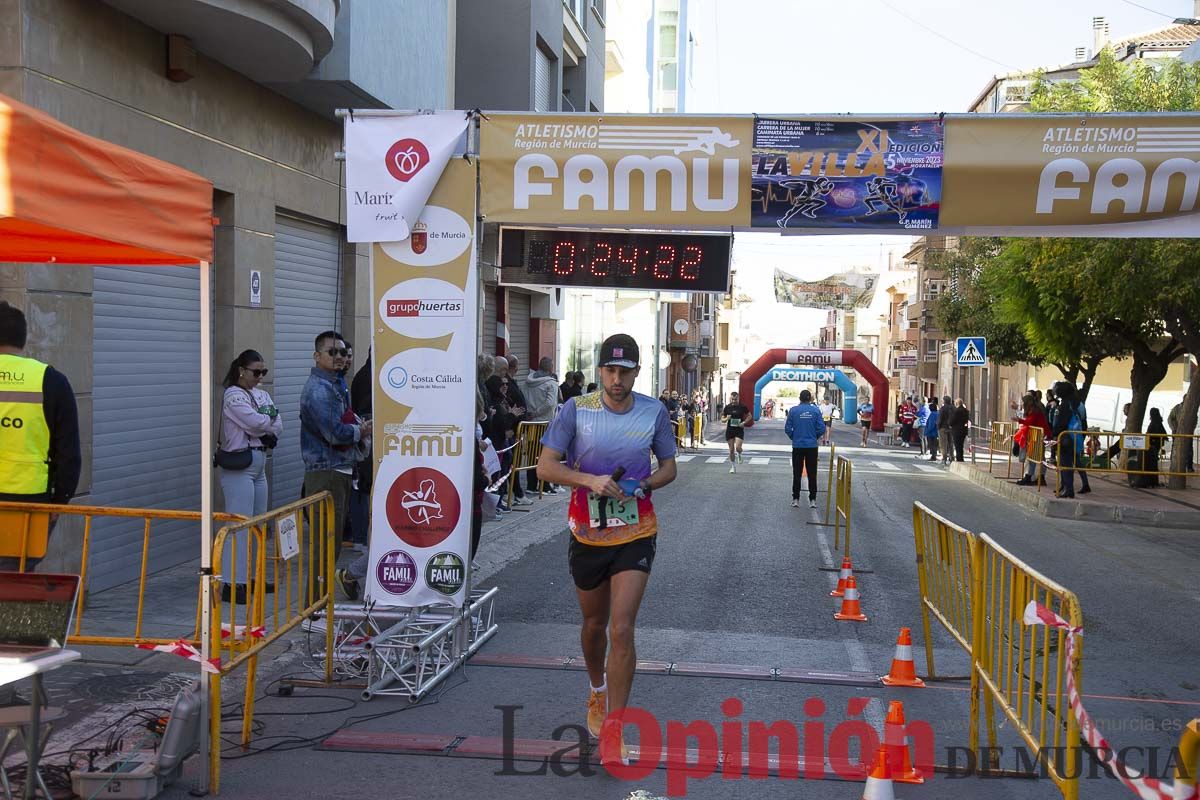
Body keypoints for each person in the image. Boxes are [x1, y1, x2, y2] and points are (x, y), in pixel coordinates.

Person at [535, 333, 677, 766]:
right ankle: (597, 691)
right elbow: (545, 467)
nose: (617, 379)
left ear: (637, 372)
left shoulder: (654, 411)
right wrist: (590, 481)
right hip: (587, 533)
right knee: (594, 625)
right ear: (600, 371)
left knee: (621, 628)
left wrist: (645, 484)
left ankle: (614, 727)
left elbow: (669, 467)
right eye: (610, 371)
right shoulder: (576, 410)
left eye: (626, 372)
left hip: (636, 530)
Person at [0, 301, 81, 572]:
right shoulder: (51, 380)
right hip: (29, 504)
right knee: (16, 584)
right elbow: (69, 455)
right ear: (22, 337)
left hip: (29, 503)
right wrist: (60, 503)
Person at [301, 331, 370, 599]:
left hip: (338, 468)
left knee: (332, 543)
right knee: (324, 544)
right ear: (317, 356)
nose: (339, 357)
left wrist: (357, 429)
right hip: (326, 471)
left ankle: (320, 603)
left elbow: (343, 425)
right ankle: (314, 610)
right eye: (333, 352)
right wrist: (360, 432)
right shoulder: (319, 389)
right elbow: (334, 432)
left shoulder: (336, 384)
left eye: (343, 352)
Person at [215, 349, 282, 602]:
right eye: (256, 372)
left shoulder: (261, 393)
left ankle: (250, 577)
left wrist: (265, 421)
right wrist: (266, 421)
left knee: (256, 526)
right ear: (241, 371)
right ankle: (233, 583)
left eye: (263, 372)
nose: (260, 376)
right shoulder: (233, 395)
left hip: (259, 461)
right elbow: (256, 423)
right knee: (238, 525)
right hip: (240, 464)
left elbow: (278, 423)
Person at [523, 356, 562, 495]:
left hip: (529, 423)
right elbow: (550, 403)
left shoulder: (528, 381)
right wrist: (538, 413)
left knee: (532, 454)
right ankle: (544, 486)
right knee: (546, 455)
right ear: (551, 368)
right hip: (545, 423)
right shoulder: (551, 384)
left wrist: (531, 413)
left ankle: (531, 485)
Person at [785, 390, 826, 508]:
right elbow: (822, 428)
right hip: (812, 446)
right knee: (812, 473)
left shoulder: (793, 410)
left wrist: (794, 437)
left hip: (798, 445)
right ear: (810, 399)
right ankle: (813, 499)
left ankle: (795, 499)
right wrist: (814, 436)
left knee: (796, 473)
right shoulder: (816, 410)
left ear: (799, 398)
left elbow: (788, 428)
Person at [1013, 394, 1051, 486]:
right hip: (1036, 436)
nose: (1022, 404)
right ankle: (1032, 476)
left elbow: (1030, 422)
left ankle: (1031, 476)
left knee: (1035, 457)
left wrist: (1019, 420)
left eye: (1023, 402)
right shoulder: (1032, 411)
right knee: (1034, 457)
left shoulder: (1036, 412)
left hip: (1040, 436)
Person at [721, 391, 750, 472]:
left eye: (735, 399)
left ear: (738, 398)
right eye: (732, 399)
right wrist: (727, 419)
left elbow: (749, 416)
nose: (734, 401)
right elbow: (722, 419)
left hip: (739, 429)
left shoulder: (742, 406)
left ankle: (739, 454)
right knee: (731, 450)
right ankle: (733, 467)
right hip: (730, 430)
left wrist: (743, 423)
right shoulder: (727, 407)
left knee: (738, 447)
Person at [1168, 401, 1195, 473]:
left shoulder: (1192, 408)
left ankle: (1189, 466)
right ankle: (1173, 465)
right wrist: (1174, 428)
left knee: (1189, 449)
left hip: (1188, 433)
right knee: (1175, 448)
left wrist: (1191, 428)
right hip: (1177, 432)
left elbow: (1195, 419)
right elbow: (1170, 418)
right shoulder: (1177, 408)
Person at [950, 398, 971, 462]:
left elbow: (952, 421)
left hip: (956, 431)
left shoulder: (956, 411)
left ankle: (959, 458)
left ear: (957, 403)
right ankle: (961, 458)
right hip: (963, 430)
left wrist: (950, 423)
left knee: (957, 445)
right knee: (961, 445)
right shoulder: (966, 411)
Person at [924, 397, 940, 462]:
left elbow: (931, 424)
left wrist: (927, 431)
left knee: (932, 445)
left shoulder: (932, 414)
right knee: (935, 445)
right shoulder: (938, 414)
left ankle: (933, 456)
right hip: (936, 432)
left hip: (932, 433)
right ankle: (934, 455)